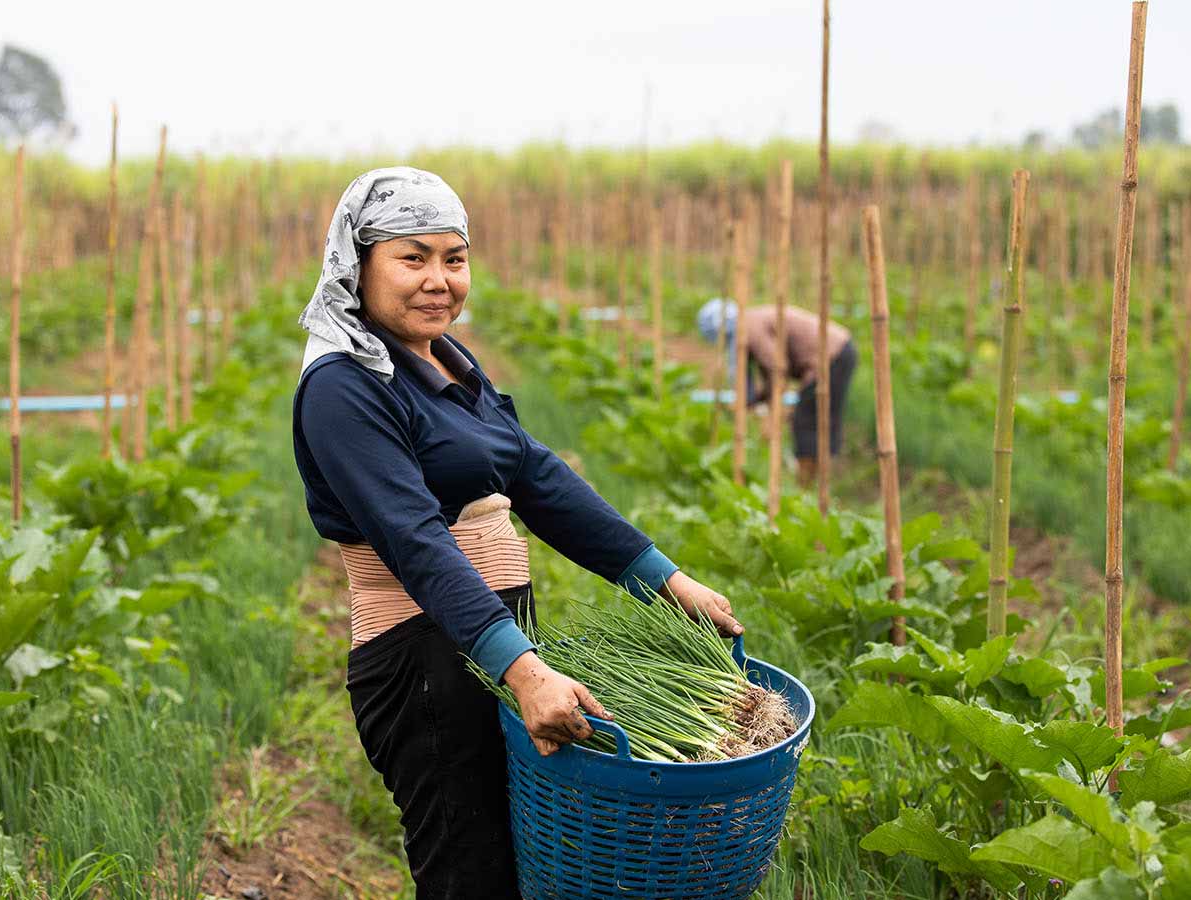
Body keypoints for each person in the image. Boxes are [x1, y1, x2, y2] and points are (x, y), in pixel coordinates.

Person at [292, 167, 743, 899]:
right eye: (413, 258)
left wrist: (665, 579)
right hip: (423, 659)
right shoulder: (345, 386)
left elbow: (536, 474)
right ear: (358, 263)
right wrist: (524, 671)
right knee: (468, 871)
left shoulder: (445, 362)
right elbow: (416, 543)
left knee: (519, 864)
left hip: (481, 645)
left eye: (454, 257)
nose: (439, 279)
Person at [698, 298, 857, 486]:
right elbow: (771, 374)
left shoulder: (749, 328)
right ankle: (817, 482)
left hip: (830, 356)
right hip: (838, 350)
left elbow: (778, 368)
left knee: (807, 422)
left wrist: (772, 416)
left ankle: (808, 486)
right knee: (818, 420)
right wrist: (760, 398)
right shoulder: (751, 321)